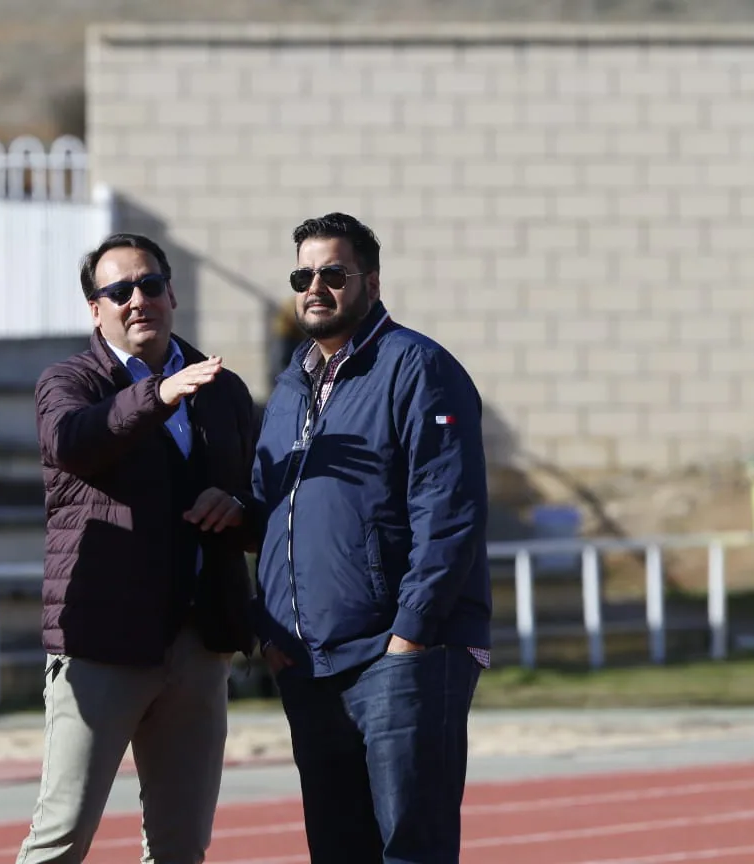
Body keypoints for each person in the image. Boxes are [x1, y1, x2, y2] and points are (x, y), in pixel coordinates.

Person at [246, 213, 492, 864]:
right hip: (308, 662)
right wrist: (271, 636)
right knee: (338, 850)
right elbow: (277, 513)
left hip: (401, 656)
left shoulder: (418, 367)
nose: (316, 286)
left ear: (372, 282)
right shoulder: (290, 388)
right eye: (304, 274)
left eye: (334, 272)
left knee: (410, 850)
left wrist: (410, 634)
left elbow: (450, 510)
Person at [16, 232, 258, 864]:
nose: (137, 300)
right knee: (61, 838)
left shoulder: (222, 388)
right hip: (102, 642)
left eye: (150, 284)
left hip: (199, 643)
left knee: (181, 846)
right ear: (95, 309)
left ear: (172, 292)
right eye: (118, 291)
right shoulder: (68, 382)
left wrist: (239, 509)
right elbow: (75, 442)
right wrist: (159, 394)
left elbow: (266, 498)